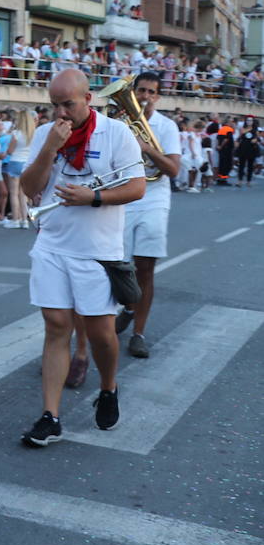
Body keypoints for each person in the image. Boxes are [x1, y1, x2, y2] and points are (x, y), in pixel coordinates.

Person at [19, 69, 145, 448]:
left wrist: (93, 197)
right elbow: (28, 188)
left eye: (68, 104)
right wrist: (48, 149)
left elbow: (137, 186)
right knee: (56, 325)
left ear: (88, 99)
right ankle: (50, 416)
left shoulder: (116, 133)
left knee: (100, 333)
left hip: (97, 249)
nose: (61, 112)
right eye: (54, 105)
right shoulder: (45, 134)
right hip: (53, 244)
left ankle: (108, 387)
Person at [113, 72, 181, 361]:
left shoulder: (166, 126)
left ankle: (138, 333)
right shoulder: (119, 124)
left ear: (158, 96)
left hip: (154, 199)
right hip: (125, 197)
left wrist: (146, 148)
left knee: (145, 268)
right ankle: (129, 306)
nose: (144, 96)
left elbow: (173, 170)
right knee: (118, 266)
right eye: (140, 90)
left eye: (151, 92)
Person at [4, 108, 35, 228]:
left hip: (15, 162)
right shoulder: (34, 134)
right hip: (27, 163)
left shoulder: (16, 133)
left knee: (13, 193)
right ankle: (25, 220)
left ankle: (16, 220)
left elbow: (10, 151)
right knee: (23, 194)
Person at [236, 117, 259, 187]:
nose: (249, 122)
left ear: (253, 121)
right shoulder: (243, 128)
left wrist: (256, 140)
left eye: (250, 120)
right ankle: (240, 181)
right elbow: (240, 136)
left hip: (251, 148)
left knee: (250, 166)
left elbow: (257, 137)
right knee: (241, 165)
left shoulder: (255, 129)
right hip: (243, 148)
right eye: (248, 120)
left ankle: (248, 181)